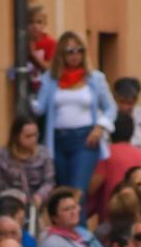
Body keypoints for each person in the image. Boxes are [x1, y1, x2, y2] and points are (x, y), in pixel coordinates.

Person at [32, 33, 117, 205]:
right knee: (63, 192)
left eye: (79, 50)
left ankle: (80, 230)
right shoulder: (51, 78)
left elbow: (110, 108)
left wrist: (100, 127)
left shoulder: (95, 78)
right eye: (70, 51)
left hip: (84, 139)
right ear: (61, 54)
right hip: (58, 139)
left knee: (78, 190)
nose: (75, 55)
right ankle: (71, 230)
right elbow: (39, 107)